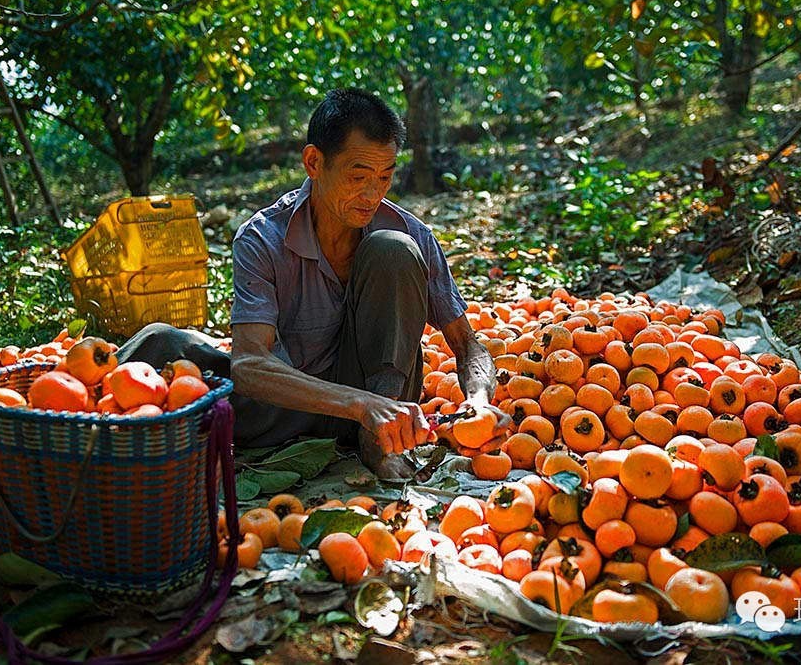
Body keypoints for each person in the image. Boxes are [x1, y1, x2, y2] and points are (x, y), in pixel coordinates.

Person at [117, 88, 508, 478]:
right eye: (358, 176)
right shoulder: (263, 239)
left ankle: (379, 446)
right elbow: (250, 364)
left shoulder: (410, 232)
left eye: (385, 177)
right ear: (314, 162)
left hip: (377, 417)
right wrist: (357, 403)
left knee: (393, 248)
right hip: (288, 410)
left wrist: (477, 400)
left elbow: (468, 346)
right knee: (160, 343)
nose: (372, 194)